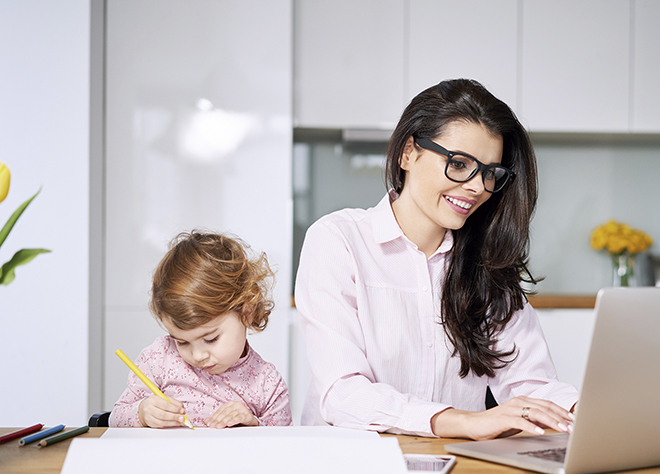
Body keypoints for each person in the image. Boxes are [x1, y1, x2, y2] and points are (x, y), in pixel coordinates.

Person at [295, 78, 578, 440]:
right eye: (459, 164)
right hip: (349, 466)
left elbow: (532, 386)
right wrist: (463, 421)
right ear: (408, 153)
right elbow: (343, 394)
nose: (477, 187)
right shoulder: (338, 241)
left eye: (490, 173)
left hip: (452, 470)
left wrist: (579, 411)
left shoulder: (487, 266)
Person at [110, 231, 292, 428]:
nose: (197, 355)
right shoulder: (159, 359)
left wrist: (254, 425)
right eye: (182, 341)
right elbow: (115, 419)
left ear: (246, 313)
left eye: (211, 339)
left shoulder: (267, 384)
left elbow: (283, 446)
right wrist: (142, 414)